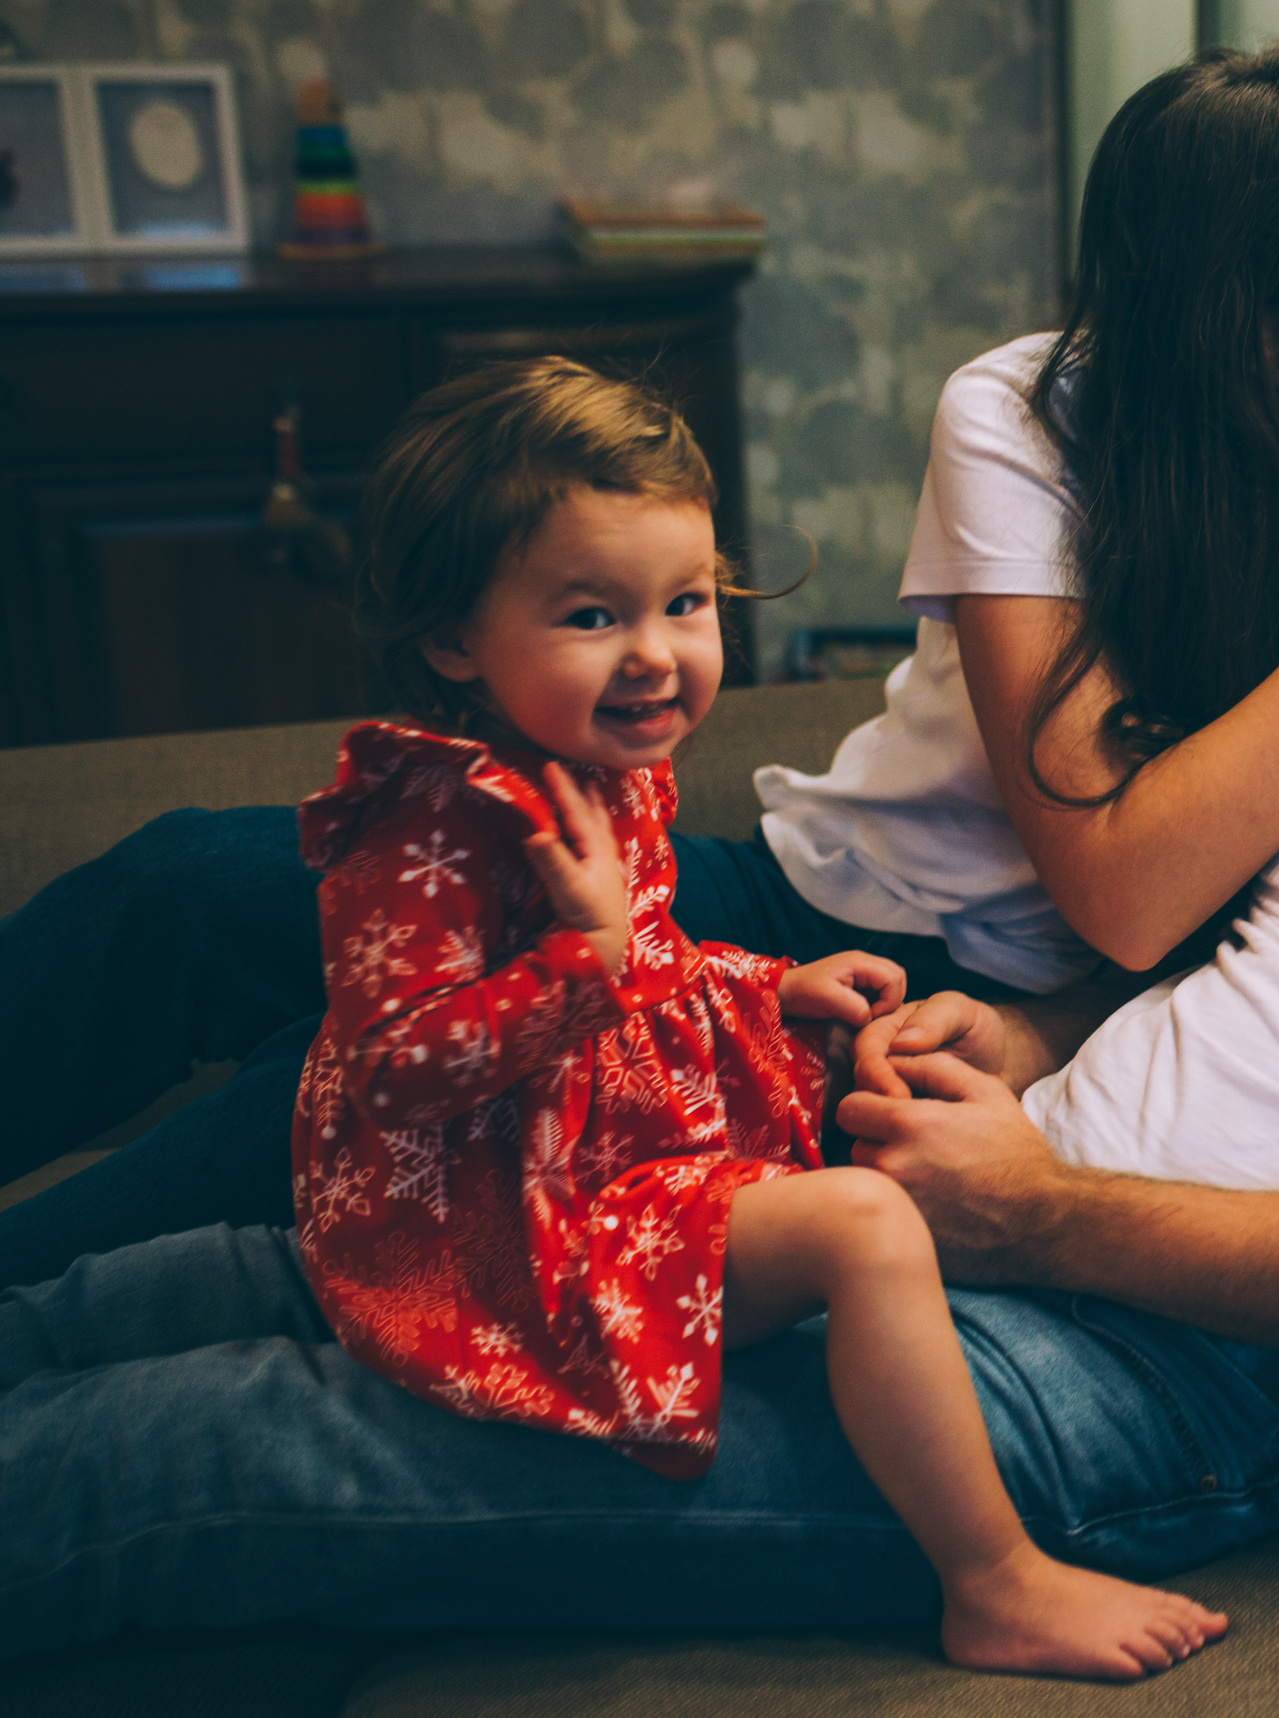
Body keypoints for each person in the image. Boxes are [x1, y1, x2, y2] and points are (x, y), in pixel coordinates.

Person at [0, 130, 1279, 1657]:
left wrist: (1052, 1214)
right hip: (976, 1195)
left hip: (1172, 1376)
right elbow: (1269, 967)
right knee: (267, 1261)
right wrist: (1038, 1039)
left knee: (226, 1451)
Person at [0, 43, 1279, 1287]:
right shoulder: (1035, 415)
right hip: (794, 898)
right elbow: (1105, 844)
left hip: (890, 1019)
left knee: (309, 1126)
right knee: (189, 885)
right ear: (1245, 322)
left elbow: (1149, 922)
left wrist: (1053, 1019)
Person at [288, 357, 1225, 1678]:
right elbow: (395, 1067)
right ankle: (995, 1578)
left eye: (685, 601)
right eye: (591, 614)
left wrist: (765, 987)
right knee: (864, 1225)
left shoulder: (604, 770)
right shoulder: (435, 821)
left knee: (861, 1150)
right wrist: (584, 961)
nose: (657, 655)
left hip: (586, 1161)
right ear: (452, 638)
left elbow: (654, 952)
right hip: (496, 1224)